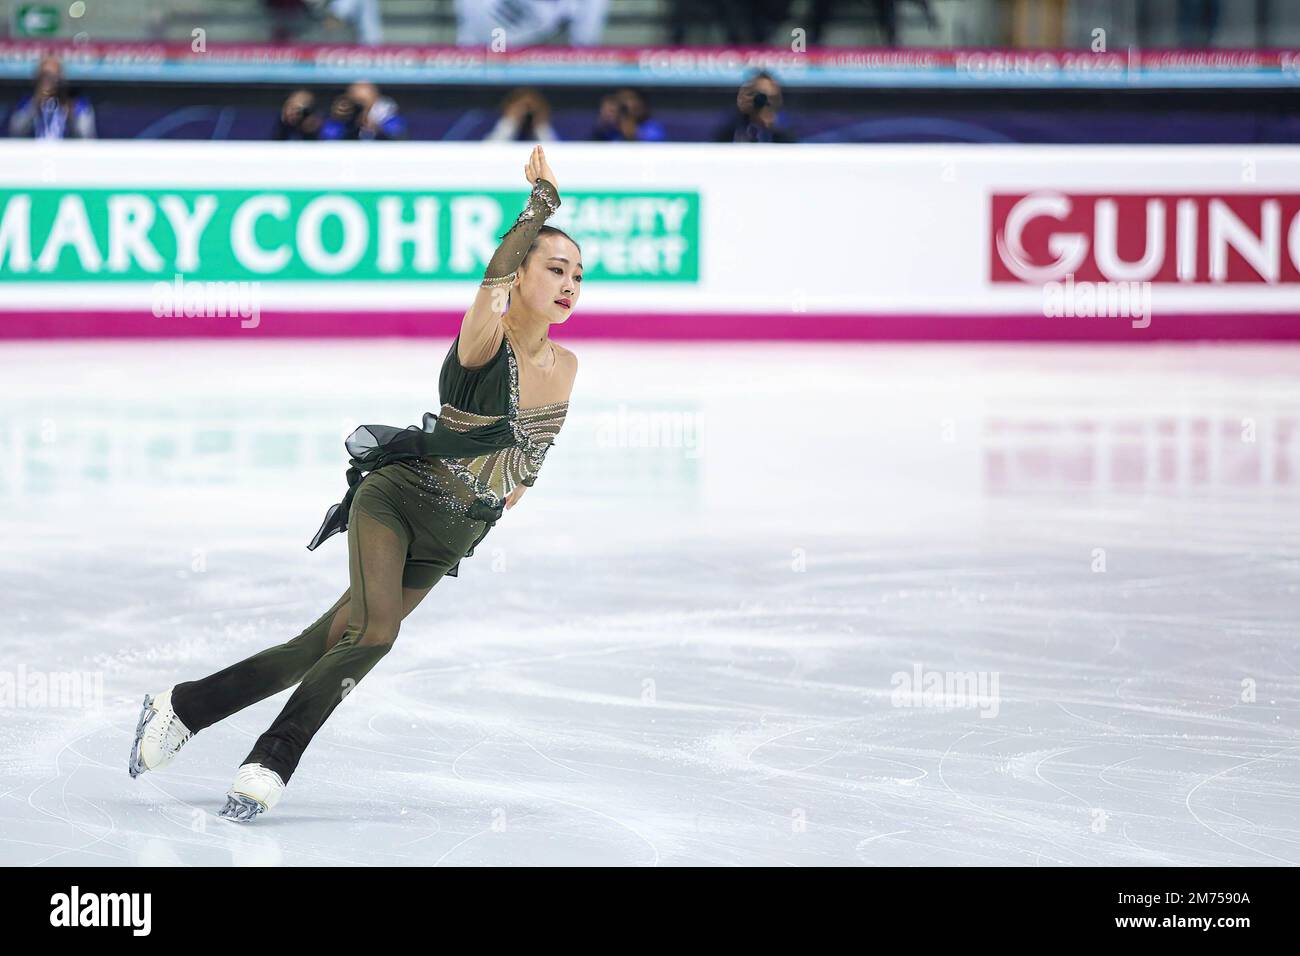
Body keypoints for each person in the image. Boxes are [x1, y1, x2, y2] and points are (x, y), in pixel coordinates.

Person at [129, 146, 581, 822]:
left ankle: (184, 706)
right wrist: (540, 202)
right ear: (519, 277)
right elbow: (492, 275)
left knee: (319, 647)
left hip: (455, 537)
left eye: (578, 273)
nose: (570, 281)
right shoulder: (483, 340)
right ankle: (272, 760)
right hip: (397, 500)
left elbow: (534, 454)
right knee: (376, 634)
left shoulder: (568, 365)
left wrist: (517, 486)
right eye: (554, 268)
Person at [7, 55, 96, 140]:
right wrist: (36, 101)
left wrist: (68, 107)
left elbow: (86, 135)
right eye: (45, 76)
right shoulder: (26, 103)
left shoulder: (78, 104)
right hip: (34, 153)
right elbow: (15, 130)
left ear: (62, 78)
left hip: (67, 153)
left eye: (54, 76)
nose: (50, 80)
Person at [712, 70, 796, 144]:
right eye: (759, 96)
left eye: (770, 97)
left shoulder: (785, 131)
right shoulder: (732, 129)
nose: (763, 102)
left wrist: (772, 128)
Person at [320, 81, 407, 141]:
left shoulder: (387, 113)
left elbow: (398, 132)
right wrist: (341, 121)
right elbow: (328, 136)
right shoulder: (344, 118)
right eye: (356, 101)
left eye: (363, 101)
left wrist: (376, 128)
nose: (360, 106)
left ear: (375, 98)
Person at [485, 88, 559, 142]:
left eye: (529, 108)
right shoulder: (488, 123)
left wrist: (541, 125)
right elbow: (487, 151)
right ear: (507, 108)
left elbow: (557, 152)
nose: (526, 112)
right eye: (520, 107)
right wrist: (510, 122)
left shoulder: (553, 126)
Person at [591, 88, 665, 143]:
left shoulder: (652, 127)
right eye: (622, 99)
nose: (626, 104)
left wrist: (631, 133)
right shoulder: (609, 129)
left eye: (631, 99)